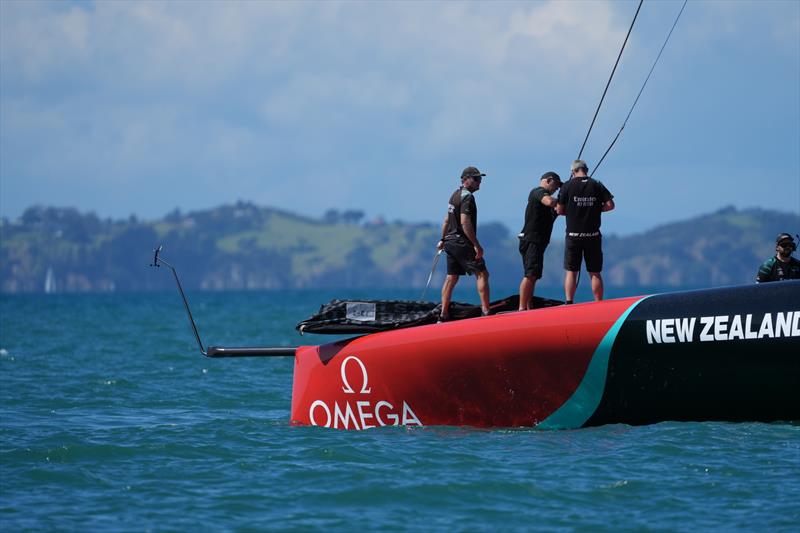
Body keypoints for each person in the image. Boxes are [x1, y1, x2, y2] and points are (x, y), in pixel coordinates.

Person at [556, 159, 614, 303]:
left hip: (573, 235)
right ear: (586, 170)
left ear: (573, 171)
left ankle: (569, 302)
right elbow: (610, 205)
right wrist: (596, 208)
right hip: (592, 235)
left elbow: (559, 210)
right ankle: (598, 302)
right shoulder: (597, 184)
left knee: (571, 272)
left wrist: (571, 210)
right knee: (595, 272)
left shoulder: (567, 186)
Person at [438, 166, 491, 320]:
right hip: (462, 242)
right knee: (482, 273)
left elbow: (446, 220)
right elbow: (465, 222)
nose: (479, 183)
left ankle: (444, 314)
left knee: (451, 277)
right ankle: (486, 311)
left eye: (480, 179)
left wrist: (442, 239)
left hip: (450, 241)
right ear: (465, 180)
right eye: (476, 179)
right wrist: (476, 244)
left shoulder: (454, 195)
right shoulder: (467, 197)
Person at [518, 171, 562, 311]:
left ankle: (529, 307)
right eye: (556, 186)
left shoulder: (548, 203)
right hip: (531, 240)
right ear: (549, 180)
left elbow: (561, 210)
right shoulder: (538, 192)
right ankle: (521, 308)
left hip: (538, 242)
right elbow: (550, 201)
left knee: (534, 275)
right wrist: (561, 198)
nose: (556, 189)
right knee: (530, 274)